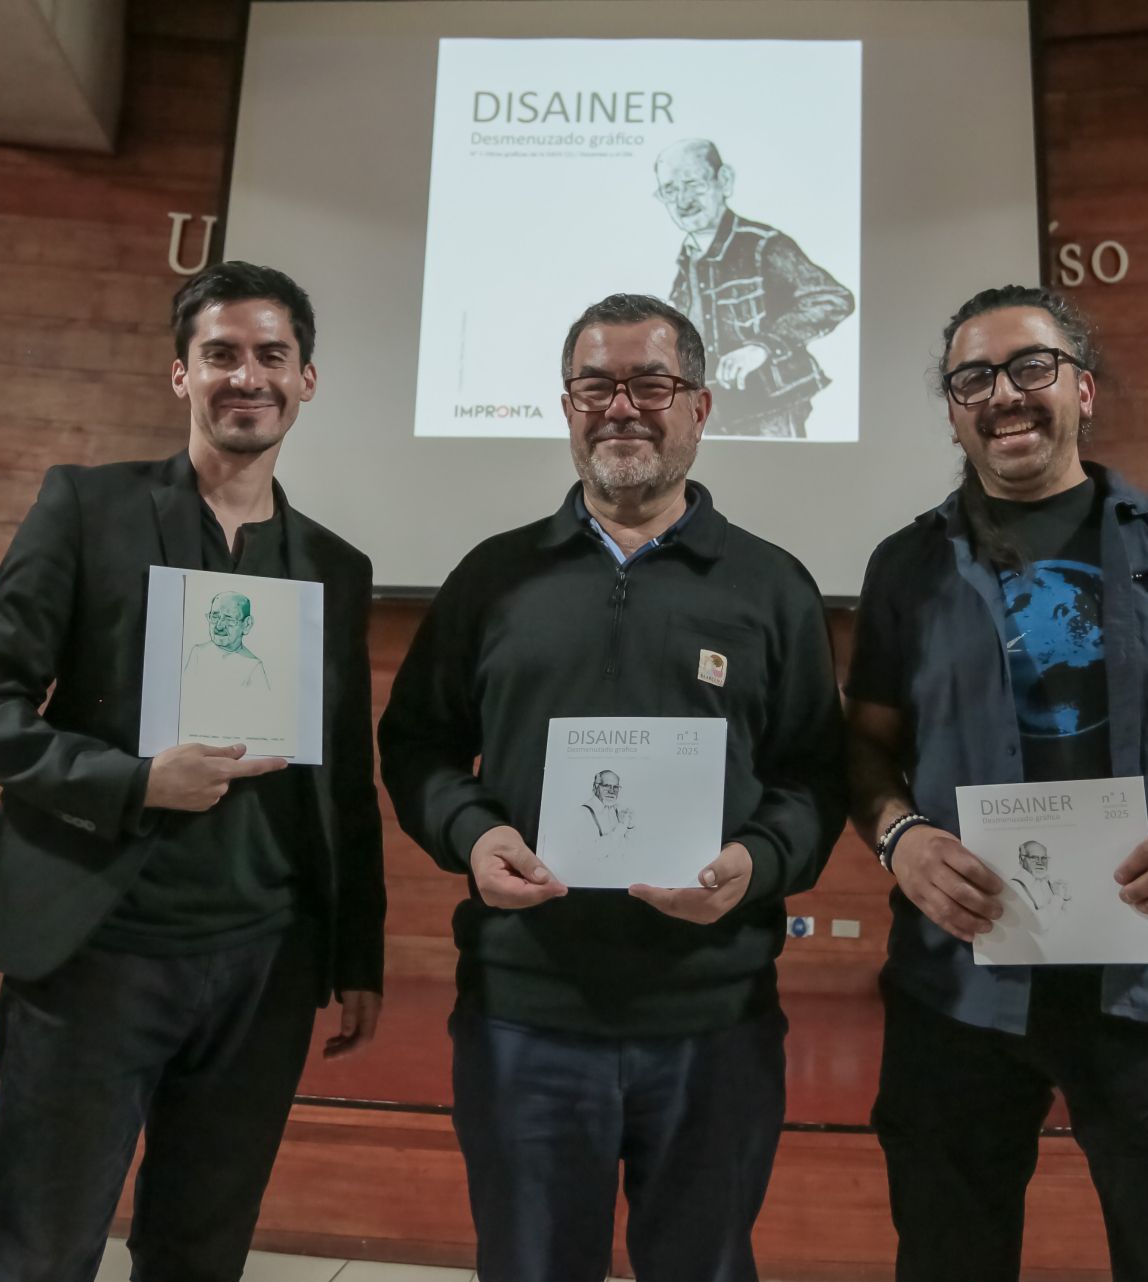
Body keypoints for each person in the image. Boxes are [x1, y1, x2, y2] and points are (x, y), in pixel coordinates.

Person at [379, 293, 846, 1282]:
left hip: (713, 1018)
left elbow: (814, 773)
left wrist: (757, 860)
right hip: (524, 1014)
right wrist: (470, 834)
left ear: (700, 407)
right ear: (566, 407)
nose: (621, 407)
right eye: (595, 387)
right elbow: (416, 744)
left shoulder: (771, 586)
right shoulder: (492, 578)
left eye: (650, 385)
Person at [0, 261, 385, 1282]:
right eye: (220, 354)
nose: (247, 376)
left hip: (265, 964)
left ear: (305, 380)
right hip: (100, 949)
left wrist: (355, 953)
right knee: (36, 1248)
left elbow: (343, 780)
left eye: (270, 355)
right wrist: (135, 779)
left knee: (201, 1252)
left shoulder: (335, 567)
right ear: (180, 373)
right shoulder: (86, 509)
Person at [843, 285, 1148, 1282]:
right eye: (972, 378)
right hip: (958, 983)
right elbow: (863, 747)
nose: (1002, 394)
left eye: (1029, 367)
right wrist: (900, 839)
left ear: (1081, 389)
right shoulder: (905, 568)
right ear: (952, 410)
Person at [655, 139, 853, 439]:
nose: (682, 200)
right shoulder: (688, 258)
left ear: (724, 181)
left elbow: (832, 298)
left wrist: (762, 347)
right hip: (713, 413)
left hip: (772, 407)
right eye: (669, 190)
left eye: (693, 184)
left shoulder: (763, 245)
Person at [185, 589, 270, 690]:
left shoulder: (253, 667)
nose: (219, 626)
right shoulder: (198, 652)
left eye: (229, 619)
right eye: (215, 616)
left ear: (247, 624)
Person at [1009, 839, 1069, 920]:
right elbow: (1035, 922)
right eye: (1034, 857)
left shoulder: (1047, 882)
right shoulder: (1014, 886)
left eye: (1044, 858)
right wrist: (1057, 897)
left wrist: (1065, 898)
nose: (1040, 862)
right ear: (1022, 859)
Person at [579, 768, 635, 844]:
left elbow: (628, 845)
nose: (611, 791)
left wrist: (629, 827)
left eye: (616, 787)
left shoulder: (619, 809)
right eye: (606, 786)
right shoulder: (583, 813)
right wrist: (621, 826)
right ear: (596, 787)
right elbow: (592, 849)